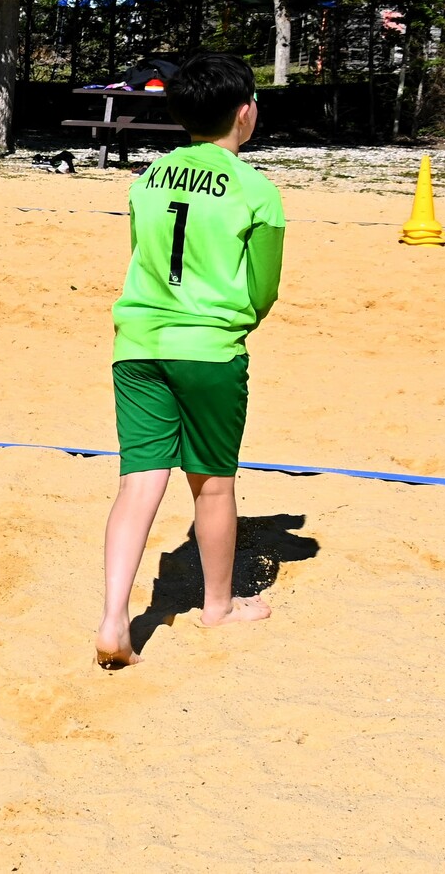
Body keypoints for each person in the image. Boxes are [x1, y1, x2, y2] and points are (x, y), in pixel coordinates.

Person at [94, 53, 285, 669]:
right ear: (245, 112)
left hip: (138, 345)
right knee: (213, 482)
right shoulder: (256, 189)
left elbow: (142, 256)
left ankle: (114, 617)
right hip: (208, 349)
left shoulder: (148, 177)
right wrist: (234, 324)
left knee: (138, 481)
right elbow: (263, 289)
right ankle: (218, 607)